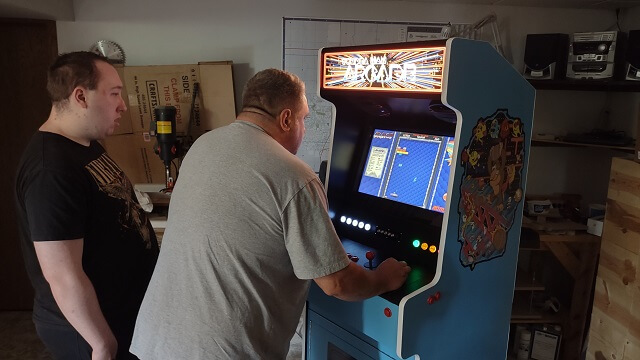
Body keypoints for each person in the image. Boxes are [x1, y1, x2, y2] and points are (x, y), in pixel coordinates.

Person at [130, 68, 410, 359]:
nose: (303, 128)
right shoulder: (294, 176)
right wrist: (383, 278)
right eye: (304, 119)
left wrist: (327, 256)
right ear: (286, 119)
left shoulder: (203, 145)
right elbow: (337, 283)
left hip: (156, 340)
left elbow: (249, 232)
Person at [14, 51, 159, 360]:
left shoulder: (84, 143)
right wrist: (102, 345)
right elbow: (62, 275)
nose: (123, 105)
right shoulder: (50, 170)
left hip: (122, 316)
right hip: (89, 332)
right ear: (80, 96)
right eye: (114, 94)